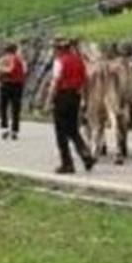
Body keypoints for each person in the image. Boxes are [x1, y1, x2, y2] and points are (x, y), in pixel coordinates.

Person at [48, 36, 94, 174]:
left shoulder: (59, 61)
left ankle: (67, 163)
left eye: (55, 48)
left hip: (62, 96)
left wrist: (49, 100)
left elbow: (55, 82)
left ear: (59, 49)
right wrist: (83, 96)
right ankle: (85, 154)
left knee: (61, 132)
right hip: (75, 96)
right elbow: (85, 80)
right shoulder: (79, 60)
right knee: (73, 129)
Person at [0, 42, 26, 139]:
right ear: (15, 50)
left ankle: (4, 128)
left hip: (6, 84)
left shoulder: (2, 59)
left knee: (3, 107)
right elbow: (24, 71)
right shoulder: (19, 60)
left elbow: (0, 73)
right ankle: (15, 130)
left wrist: (0, 71)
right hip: (17, 85)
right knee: (16, 108)